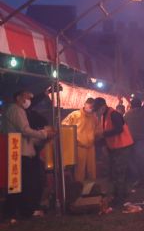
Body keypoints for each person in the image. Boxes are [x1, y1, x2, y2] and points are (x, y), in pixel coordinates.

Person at [2, 90, 55, 220]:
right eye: (27, 97)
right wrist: (44, 133)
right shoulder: (16, 110)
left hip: (21, 150)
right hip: (17, 151)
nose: (29, 100)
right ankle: (20, 211)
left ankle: (19, 211)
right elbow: (25, 130)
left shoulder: (19, 110)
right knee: (22, 183)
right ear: (19, 97)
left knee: (20, 183)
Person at [94, 97, 133, 208]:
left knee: (119, 173)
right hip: (115, 147)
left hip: (122, 147)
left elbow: (119, 129)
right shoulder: (104, 115)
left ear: (103, 107)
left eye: (97, 109)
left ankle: (119, 199)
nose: (97, 112)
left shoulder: (114, 114)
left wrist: (103, 135)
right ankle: (121, 194)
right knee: (116, 172)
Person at [62, 98, 100, 183]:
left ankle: (92, 188)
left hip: (91, 146)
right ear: (84, 104)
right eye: (89, 105)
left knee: (92, 169)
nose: (91, 107)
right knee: (80, 169)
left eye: (92, 106)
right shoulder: (75, 114)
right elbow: (64, 125)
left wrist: (97, 135)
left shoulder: (94, 116)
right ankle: (79, 188)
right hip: (79, 146)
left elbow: (98, 128)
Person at [124, 97, 144, 187]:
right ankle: (143, 178)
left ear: (131, 105)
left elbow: (125, 127)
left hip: (130, 141)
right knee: (142, 160)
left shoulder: (127, 114)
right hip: (142, 140)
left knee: (132, 160)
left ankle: (137, 178)